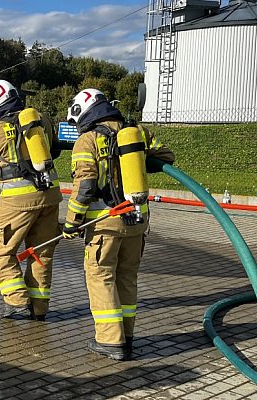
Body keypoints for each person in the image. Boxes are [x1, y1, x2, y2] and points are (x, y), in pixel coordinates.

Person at [61, 88, 174, 361]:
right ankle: (128, 335)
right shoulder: (138, 132)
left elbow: (85, 187)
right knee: (126, 277)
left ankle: (110, 341)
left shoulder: (87, 141)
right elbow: (167, 157)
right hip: (137, 221)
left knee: (101, 279)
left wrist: (71, 222)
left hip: (105, 223)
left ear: (83, 113)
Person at [0, 79, 62, 321]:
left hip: (17, 200)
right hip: (50, 195)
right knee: (41, 253)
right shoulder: (41, 119)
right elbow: (55, 147)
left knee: (0, 250)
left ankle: (17, 301)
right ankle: (39, 309)